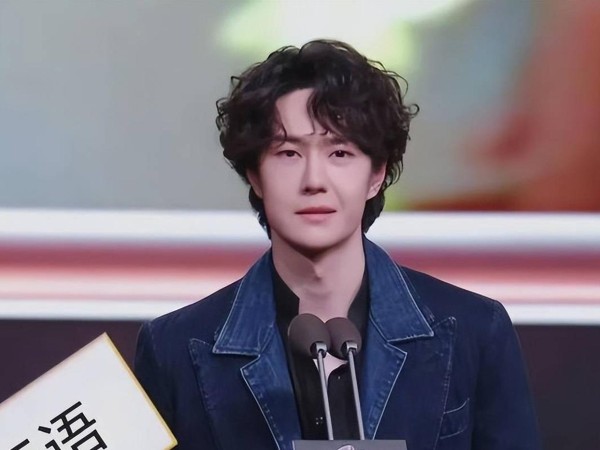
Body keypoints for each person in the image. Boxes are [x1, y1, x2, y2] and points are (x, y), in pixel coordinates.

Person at [134, 40, 540, 450]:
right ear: (255, 176)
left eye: (340, 153)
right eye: (288, 153)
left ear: (376, 175)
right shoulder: (173, 348)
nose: (314, 180)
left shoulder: (474, 329)